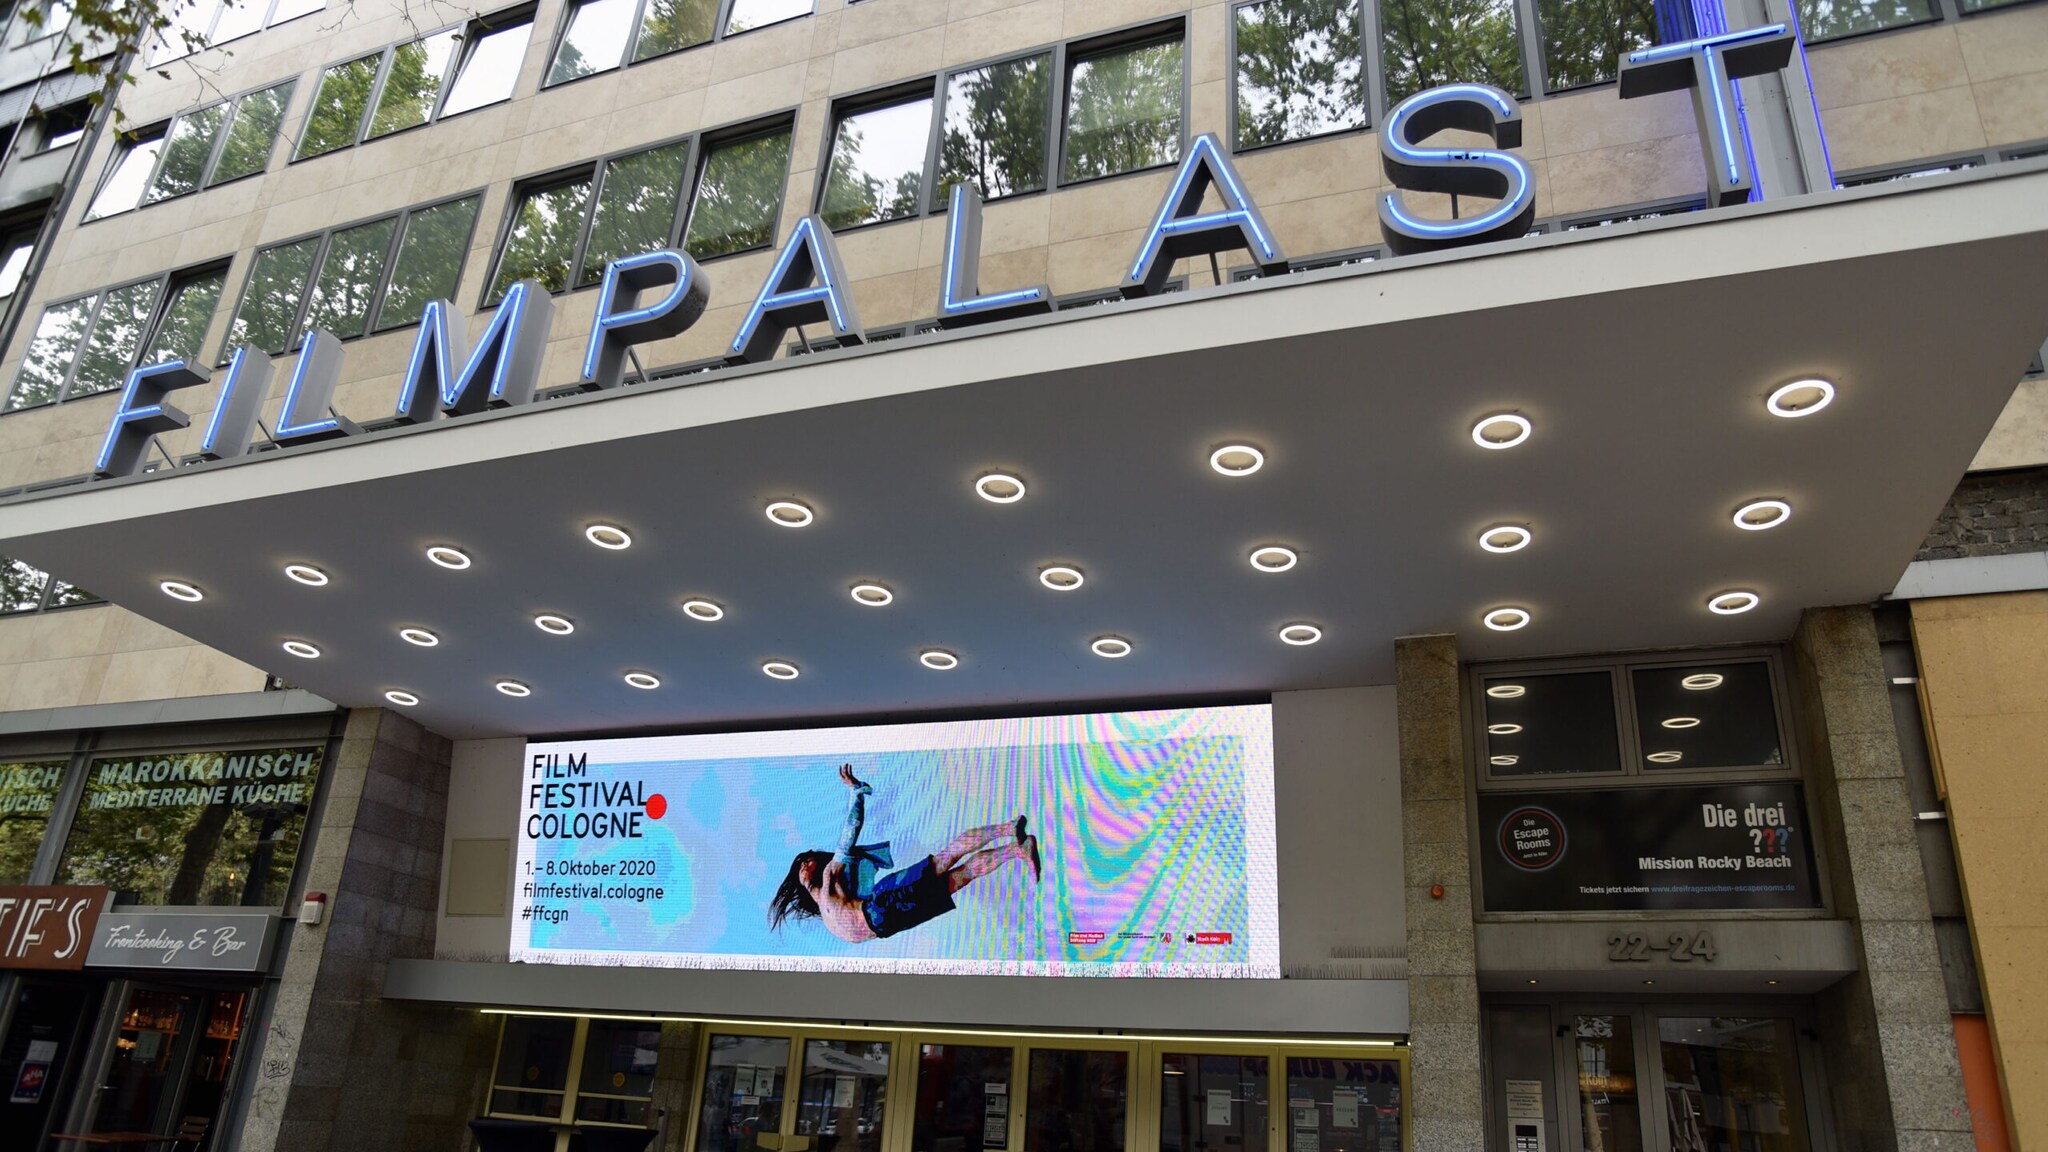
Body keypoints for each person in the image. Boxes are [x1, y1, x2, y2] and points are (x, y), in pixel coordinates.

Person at [770, 764, 1039, 942]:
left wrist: (857, 792)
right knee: (959, 879)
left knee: (946, 859)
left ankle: (1008, 828)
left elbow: (850, 831)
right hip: (889, 922)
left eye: (806, 861)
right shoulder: (824, 908)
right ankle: (1017, 850)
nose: (804, 865)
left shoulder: (830, 878)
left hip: (883, 903)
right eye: (800, 865)